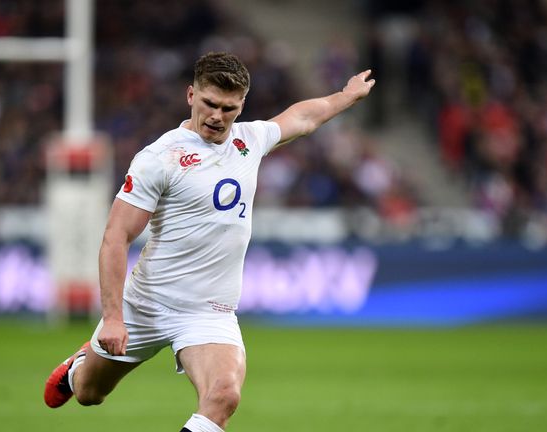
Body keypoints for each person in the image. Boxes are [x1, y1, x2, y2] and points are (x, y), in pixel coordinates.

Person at [44, 51, 375, 432]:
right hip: (147, 305)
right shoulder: (159, 158)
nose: (218, 116)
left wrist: (345, 96)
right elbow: (116, 236)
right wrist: (114, 318)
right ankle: (77, 370)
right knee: (90, 393)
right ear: (190, 96)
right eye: (210, 104)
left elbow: (302, 117)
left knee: (223, 395)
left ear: (242, 105)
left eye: (229, 108)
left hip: (208, 312)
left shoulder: (249, 140)